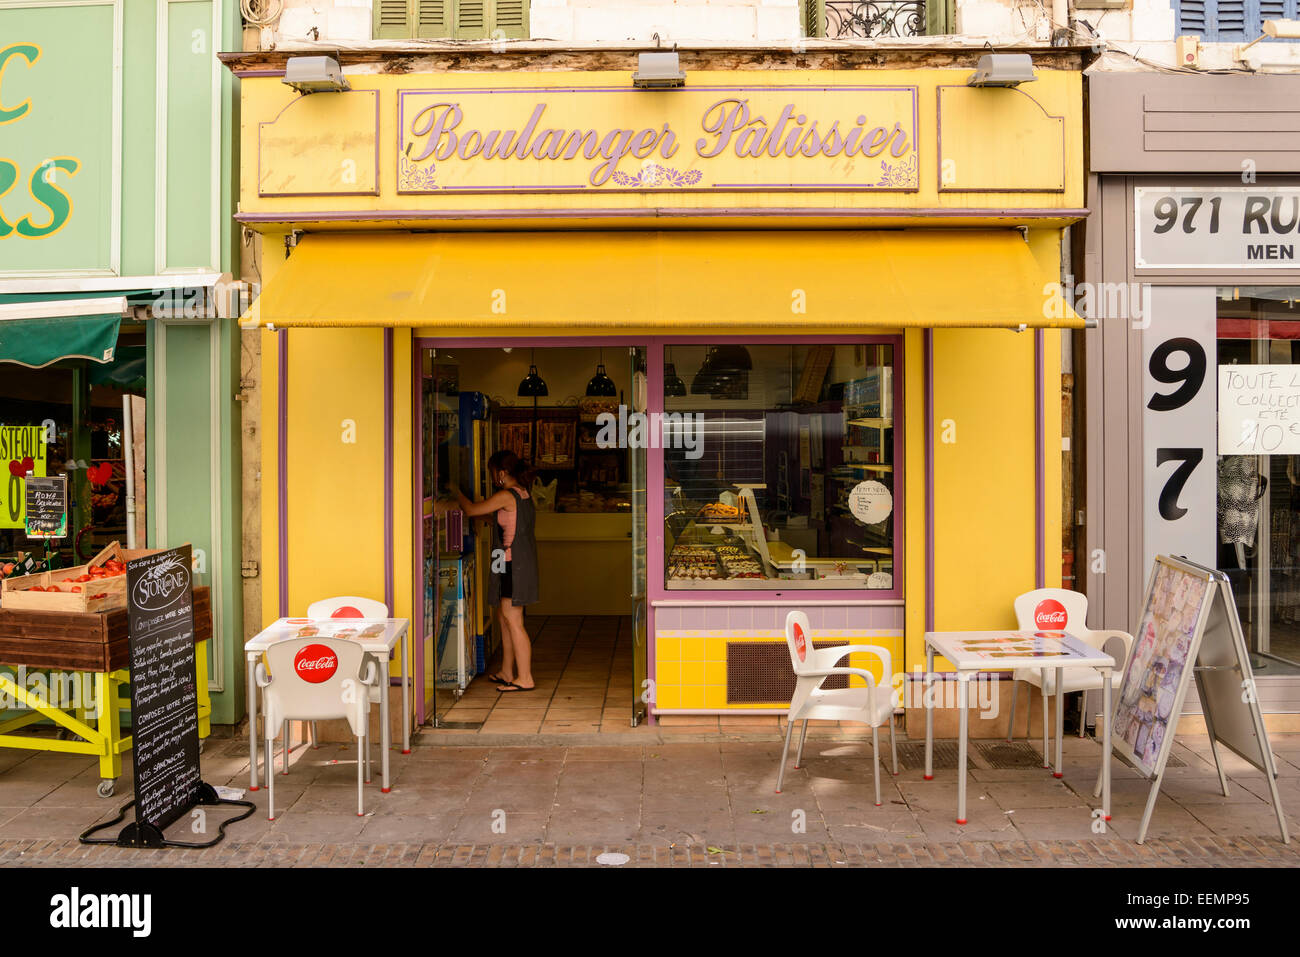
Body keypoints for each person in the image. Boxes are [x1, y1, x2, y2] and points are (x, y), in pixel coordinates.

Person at [446, 450, 539, 691]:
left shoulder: (507, 495)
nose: (492, 477)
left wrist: (454, 490)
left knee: (513, 619)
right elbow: (503, 521)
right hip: (510, 561)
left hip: (512, 564)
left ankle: (525, 677)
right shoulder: (522, 493)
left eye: (492, 473)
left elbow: (472, 510)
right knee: (503, 615)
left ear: (501, 472)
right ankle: (507, 671)